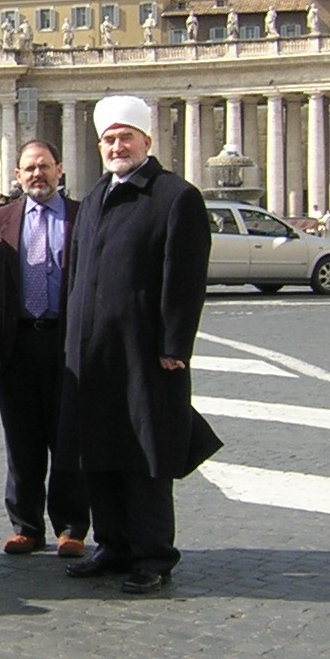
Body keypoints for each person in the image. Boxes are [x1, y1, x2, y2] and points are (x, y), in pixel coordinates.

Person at [62, 96, 222, 595]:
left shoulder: (176, 197)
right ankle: (112, 544)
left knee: (146, 454)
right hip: (93, 353)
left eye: (125, 137)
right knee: (100, 452)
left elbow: (186, 277)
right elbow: (76, 276)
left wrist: (175, 342)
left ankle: (154, 554)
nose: (116, 146)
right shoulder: (93, 199)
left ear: (146, 141)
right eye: (108, 139)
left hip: (147, 353)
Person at [0, 140, 90, 558]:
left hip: (68, 340)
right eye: (29, 168)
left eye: (44, 166)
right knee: (21, 438)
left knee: (69, 438)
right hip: (18, 342)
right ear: (17, 175)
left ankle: (71, 526)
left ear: (59, 170)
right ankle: (25, 524)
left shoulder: (83, 217)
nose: (37, 174)